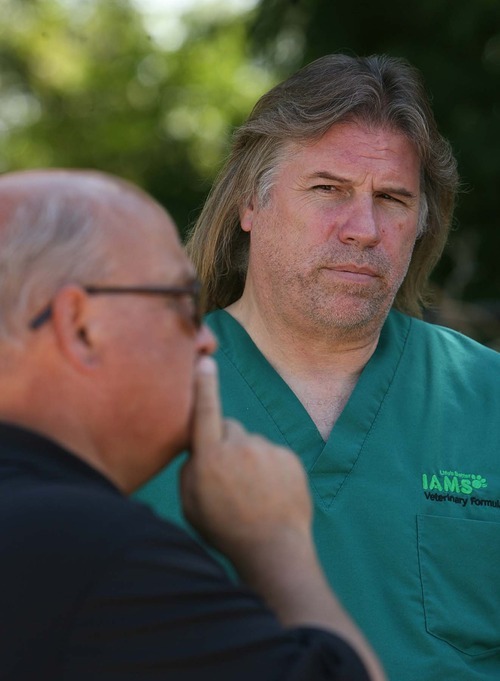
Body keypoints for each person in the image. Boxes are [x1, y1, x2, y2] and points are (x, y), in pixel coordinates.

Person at [136, 53, 500, 681]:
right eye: (327, 189)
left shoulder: (486, 398)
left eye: (391, 198)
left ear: (421, 225)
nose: (362, 229)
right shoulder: (133, 394)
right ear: (252, 202)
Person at [0, 169, 386, 681]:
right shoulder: (105, 559)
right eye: (181, 304)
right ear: (80, 326)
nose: (205, 340)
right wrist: (278, 548)